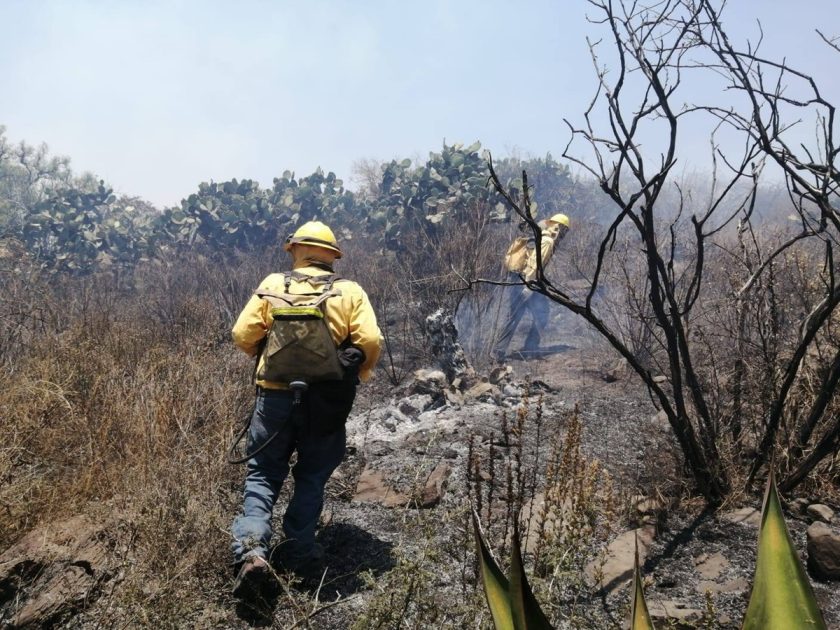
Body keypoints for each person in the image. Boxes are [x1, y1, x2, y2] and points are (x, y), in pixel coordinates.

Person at [229, 220, 381, 597]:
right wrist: (357, 368)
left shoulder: (274, 284)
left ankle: (251, 552)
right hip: (326, 402)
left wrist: (266, 356)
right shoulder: (348, 291)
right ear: (332, 256)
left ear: (295, 250)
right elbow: (371, 339)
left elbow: (242, 333)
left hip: (274, 399)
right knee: (311, 477)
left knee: (263, 475)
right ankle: (297, 553)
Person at [494, 213, 570, 360]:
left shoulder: (540, 236)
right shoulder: (547, 241)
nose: (564, 234)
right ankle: (526, 349)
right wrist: (528, 286)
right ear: (558, 227)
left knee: (516, 315)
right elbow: (535, 264)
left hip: (520, 279)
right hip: (527, 281)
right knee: (535, 314)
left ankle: (501, 351)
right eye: (564, 229)